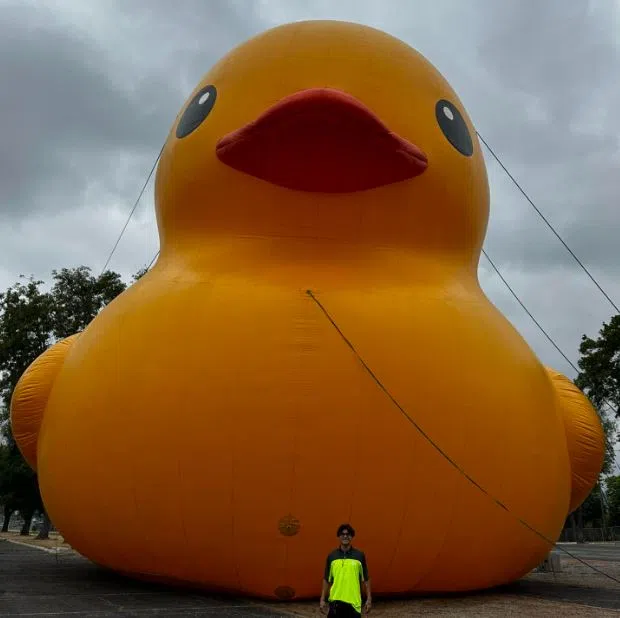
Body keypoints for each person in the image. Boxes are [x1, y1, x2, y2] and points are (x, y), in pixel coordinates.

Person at [320, 523, 371, 616]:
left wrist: (369, 599)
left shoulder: (359, 555)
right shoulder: (332, 556)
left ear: (352, 537)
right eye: (342, 534)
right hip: (335, 602)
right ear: (339, 537)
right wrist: (322, 599)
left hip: (354, 604)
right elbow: (327, 579)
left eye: (348, 534)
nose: (345, 536)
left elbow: (366, 579)